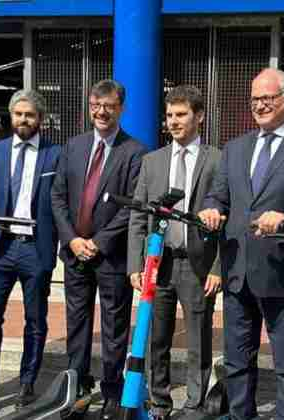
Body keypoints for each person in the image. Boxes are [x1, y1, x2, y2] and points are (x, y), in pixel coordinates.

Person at [199, 68, 284, 420]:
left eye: (268, 98)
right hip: (237, 271)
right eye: (255, 100)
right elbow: (219, 195)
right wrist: (213, 208)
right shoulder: (234, 148)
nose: (260, 106)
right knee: (236, 362)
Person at [51, 79, 147, 420]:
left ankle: (111, 390)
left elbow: (133, 205)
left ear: (121, 108)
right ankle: (76, 387)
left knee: (114, 326)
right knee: (76, 325)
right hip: (75, 253)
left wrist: (99, 241)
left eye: (108, 105)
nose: (101, 111)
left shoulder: (135, 152)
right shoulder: (73, 146)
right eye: (95, 104)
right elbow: (57, 196)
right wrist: (72, 239)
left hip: (110, 255)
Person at [127, 85, 221, 420]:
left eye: (181, 115)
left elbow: (227, 215)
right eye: (169, 115)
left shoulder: (217, 159)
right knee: (156, 336)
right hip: (157, 262)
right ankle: (160, 403)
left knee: (198, 338)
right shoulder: (152, 161)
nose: (173, 122)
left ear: (199, 117)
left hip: (198, 264)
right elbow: (139, 216)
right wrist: (135, 264)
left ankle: (195, 403)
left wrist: (218, 268)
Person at [0, 90, 61, 420]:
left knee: (36, 323)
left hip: (36, 249)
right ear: (11, 117)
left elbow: (61, 203)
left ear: (41, 119)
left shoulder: (55, 156)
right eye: (19, 114)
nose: (24, 120)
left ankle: (27, 383)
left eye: (30, 115)